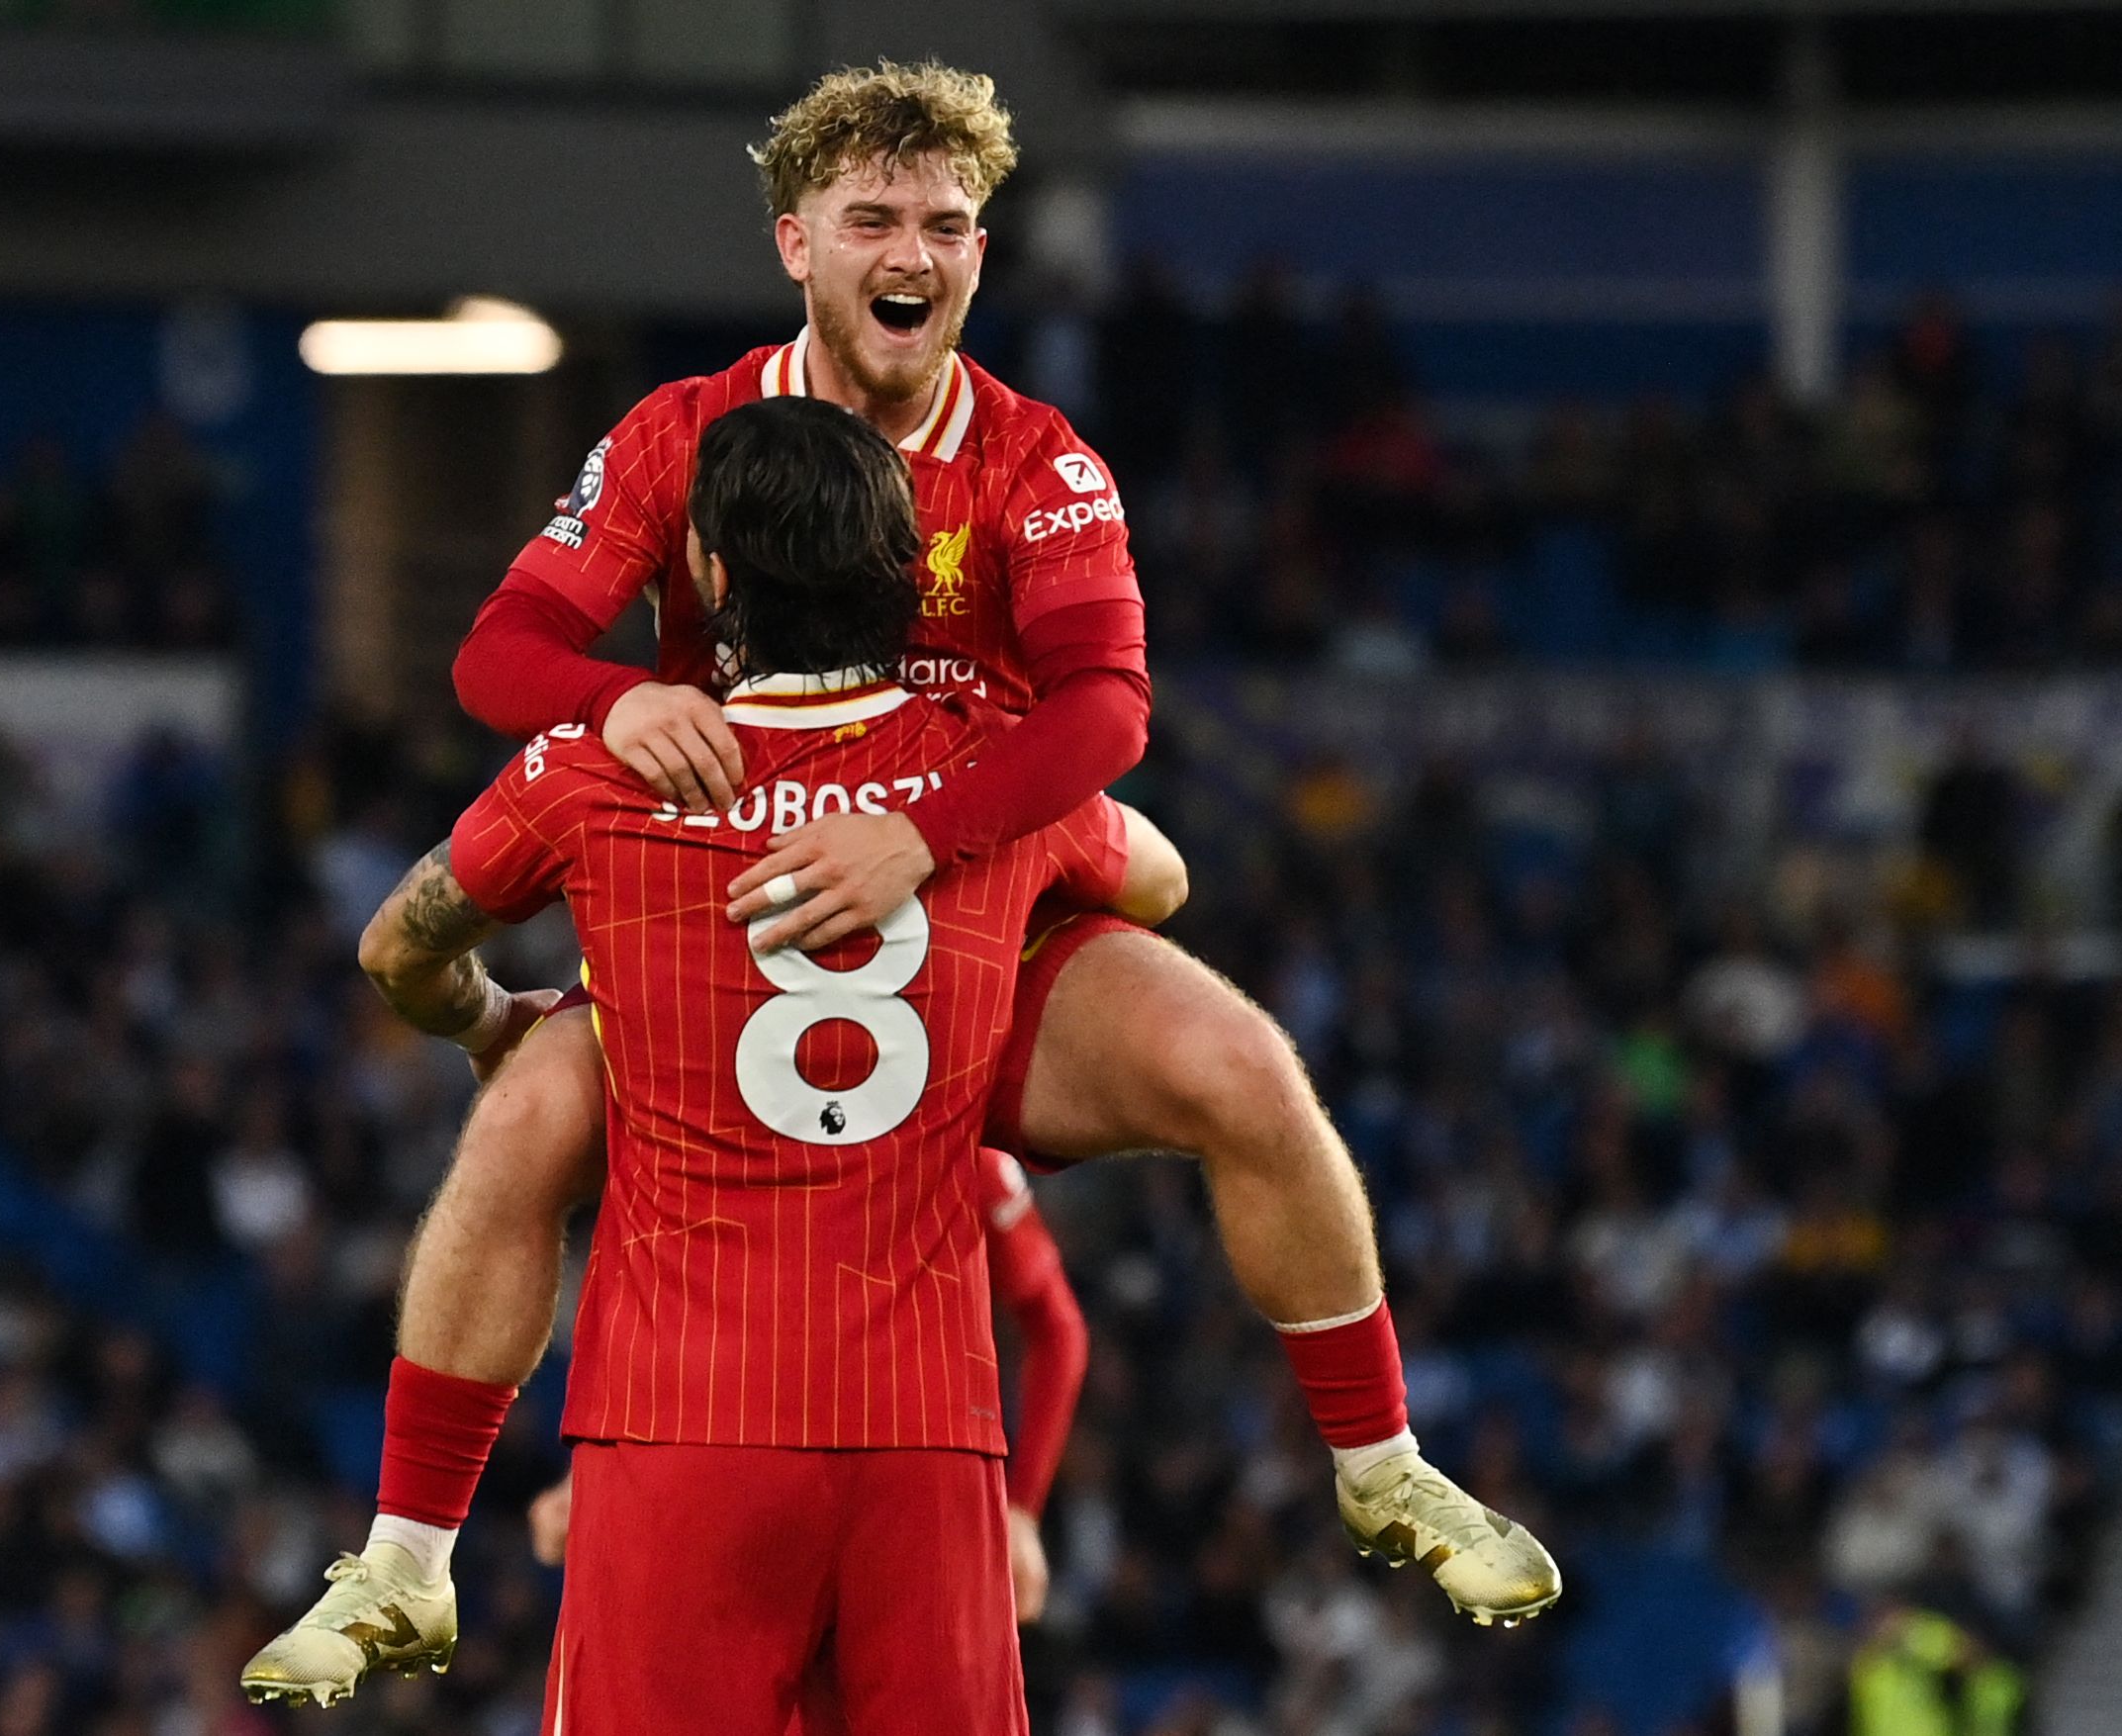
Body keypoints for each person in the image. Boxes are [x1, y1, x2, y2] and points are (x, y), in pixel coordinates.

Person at [354, 51, 1558, 1653]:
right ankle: (402, 1558)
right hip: (720, 917)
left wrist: (918, 839)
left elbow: (1106, 709)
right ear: (795, 242)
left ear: (980, 252)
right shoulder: (683, 432)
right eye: (871, 218)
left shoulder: (1037, 460)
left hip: (974, 893)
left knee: (1242, 1070)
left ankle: (1382, 1463)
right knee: (516, 1129)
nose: (909, 252)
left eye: (943, 223)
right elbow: (499, 654)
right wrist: (616, 698)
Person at [244, 397, 1184, 1728]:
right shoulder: (996, 780)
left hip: (680, 1420)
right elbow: (1159, 879)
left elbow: (395, 944)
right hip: (927, 1433)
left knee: (519, 1127)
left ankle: (405, 1554)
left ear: (711, 573)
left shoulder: (596, 775)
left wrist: (497, 1026)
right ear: (904, 574)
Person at [523, 1142, 1091, 1630]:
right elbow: (673, 1319)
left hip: (908, 1528)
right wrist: (595, 1468)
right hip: (744, 1517)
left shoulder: (965, 1162)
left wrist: (1023, 1509)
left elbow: (1057, 1330)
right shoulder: (725, 1150)